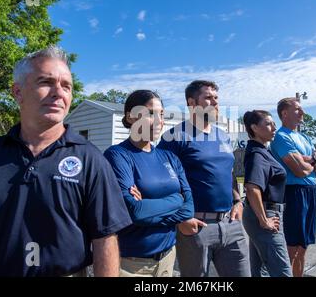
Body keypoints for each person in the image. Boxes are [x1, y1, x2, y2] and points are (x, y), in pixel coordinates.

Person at [0, 46, 132, 277]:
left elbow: (105, 240)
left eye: (66, 86)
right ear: (18, 92)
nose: (58, 92)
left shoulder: (91, 159)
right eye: (45, 82)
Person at [158, 80, 250, 277]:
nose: (215, 102)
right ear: (192, 103)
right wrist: (181, 218)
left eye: (216, 98)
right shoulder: (173, 137)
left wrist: (237, 201)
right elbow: (162, 183)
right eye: (208, 97)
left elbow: (228, 173)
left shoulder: (222, 136)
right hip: (196, 227)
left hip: (231, 223)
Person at [104, 90, 194, 277]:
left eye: (161, 114)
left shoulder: (169, 157)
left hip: (168, 257)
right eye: (150, 113)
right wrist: (177, 199)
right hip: (131, 265)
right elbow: (135, 211)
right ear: (130, 117)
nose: (159, 120)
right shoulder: (117, 156)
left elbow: (188, 210)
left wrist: (149, 208)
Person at [270, 97, 316, 277]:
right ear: (284, 113)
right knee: (292, 247)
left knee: (303, 246)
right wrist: (313, 161)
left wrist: (309, 160)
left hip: (310, 192)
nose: (302, 112)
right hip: (293, 193)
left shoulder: (304, 137)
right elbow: (299, 171)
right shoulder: (281, 137)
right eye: (297, 109)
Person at [242, 110, 293, 277]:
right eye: (269, 124)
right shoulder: (258, 154)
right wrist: (264, 220)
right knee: (282, 271)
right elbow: (252, 188)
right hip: (266, 215)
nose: (274, 127)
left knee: (259, 270)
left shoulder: (262, 151)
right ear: (254, 128)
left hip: (261, 214)